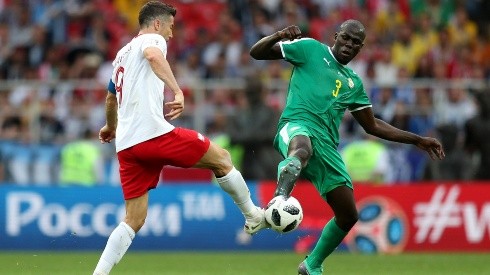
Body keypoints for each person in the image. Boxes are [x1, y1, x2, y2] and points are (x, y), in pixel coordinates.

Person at [249, 20, 445, 275]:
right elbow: (257, 52)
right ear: (336, 36)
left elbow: (372, 126)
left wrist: (417, 139)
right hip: (296, 125)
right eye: (347, 38)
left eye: (356, 43)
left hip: (327, 145)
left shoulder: (354, 83)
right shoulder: (309, 49)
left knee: (348, 214)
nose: (350, 45)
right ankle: (279, 198)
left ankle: (312, 264)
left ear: (360, 48)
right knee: (301, 150)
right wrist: (279, 35)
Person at [93, 2, 267, 274]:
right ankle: (253, 216)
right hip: (151, 135)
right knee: (222, 159)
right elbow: (153, 55)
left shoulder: (121, 54)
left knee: (133, 219)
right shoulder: (152, 39)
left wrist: (109, 126)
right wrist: (177, 90)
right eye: (171, 27)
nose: (172, 35)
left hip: (127, 146)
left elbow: (110, 96)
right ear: (158, 24)